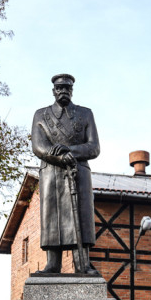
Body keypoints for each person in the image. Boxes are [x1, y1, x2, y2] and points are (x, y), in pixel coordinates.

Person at [30, 73, 101, 275]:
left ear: (72, 91)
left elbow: (94, 147)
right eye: (59, 88)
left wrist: (71, 153)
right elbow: (38, 146)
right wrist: (59, 158)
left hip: (79, 171)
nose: (63, 92)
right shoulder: (41, 115)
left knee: (82, 215)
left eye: (67, 89)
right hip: (51, 173)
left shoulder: (85, 114)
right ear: (53, 91)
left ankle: (83, 264)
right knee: (51, 215)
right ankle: (52, 264)